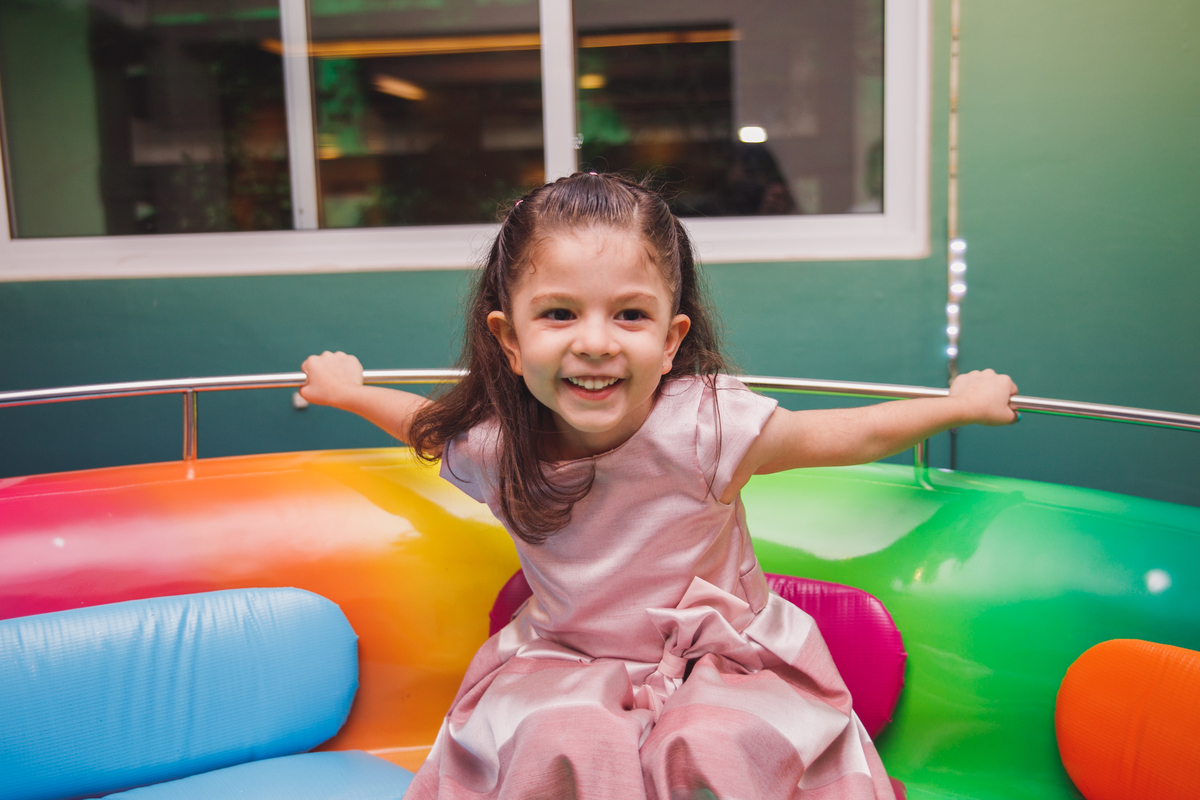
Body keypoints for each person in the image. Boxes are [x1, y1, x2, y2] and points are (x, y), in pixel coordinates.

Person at [300, 172, 1018, 800]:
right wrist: (349, 390)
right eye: (559, 313)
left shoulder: (703, 427)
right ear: (510, 341)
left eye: (630, 315)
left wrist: (959, 405)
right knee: (561, 739)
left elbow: (843, 436)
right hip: (567, 661)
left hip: (727, 660)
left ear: (671, 341)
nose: (596, 341)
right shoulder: (499, 447)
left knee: (714, 742)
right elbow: (423, 425)